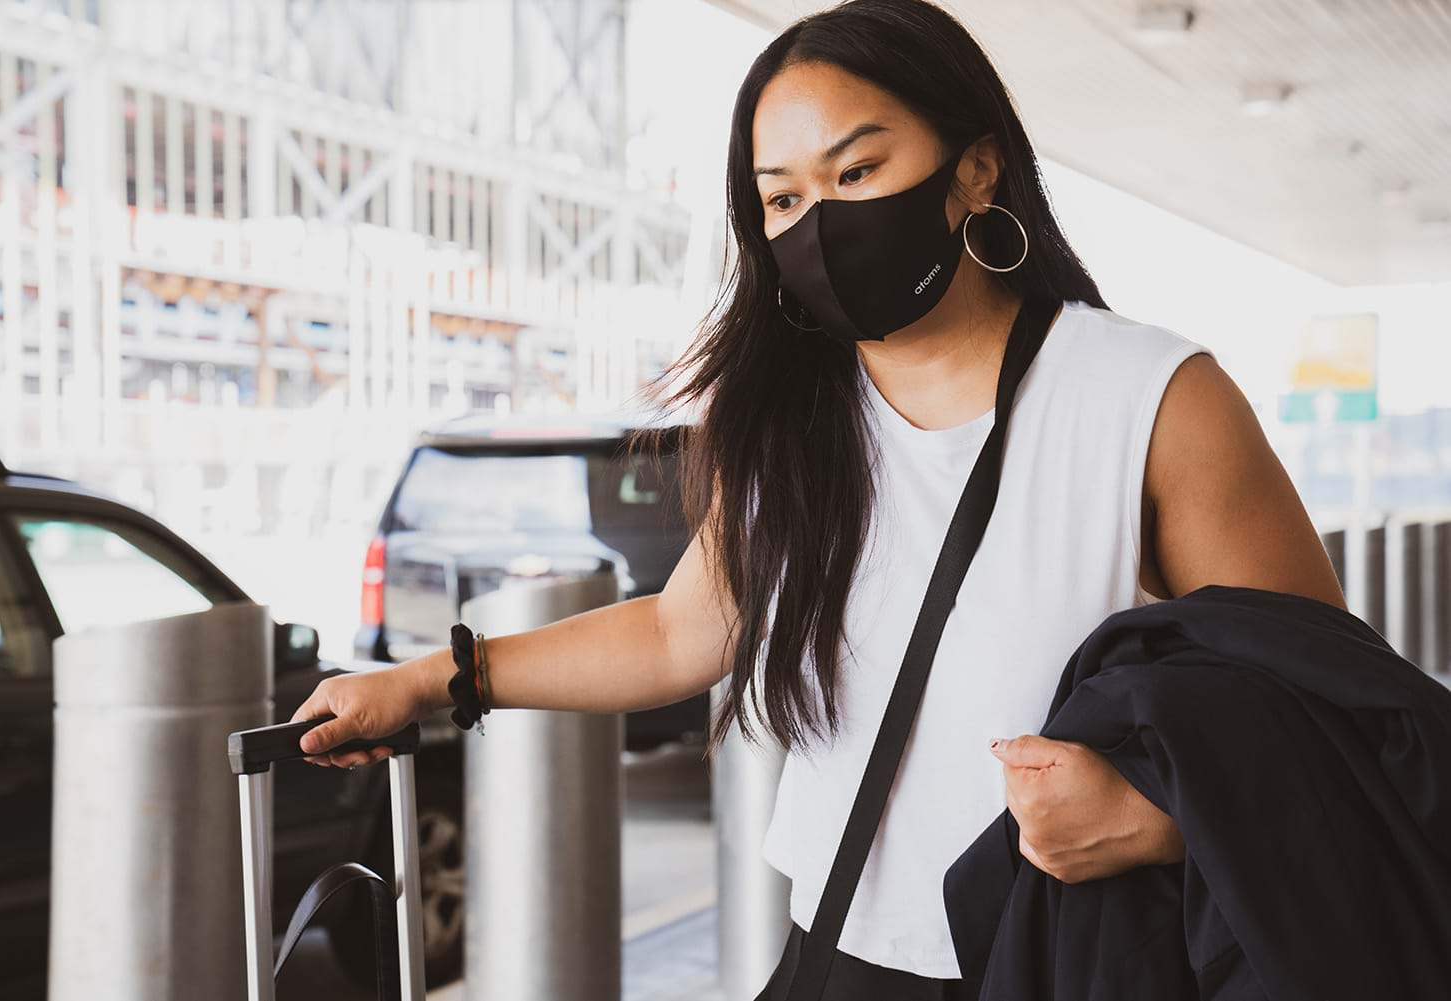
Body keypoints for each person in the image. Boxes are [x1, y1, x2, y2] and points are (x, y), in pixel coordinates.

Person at [289, 0, 1347, 995]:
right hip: (841, 950)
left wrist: (1159, 814)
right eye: (785, 198)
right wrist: (434, 680)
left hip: (1080, 956)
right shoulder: (792, 420)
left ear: (976, 169)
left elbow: (1322, 711)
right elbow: (675, 635)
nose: (821, 224)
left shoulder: (1151, 397)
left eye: (858, 170)